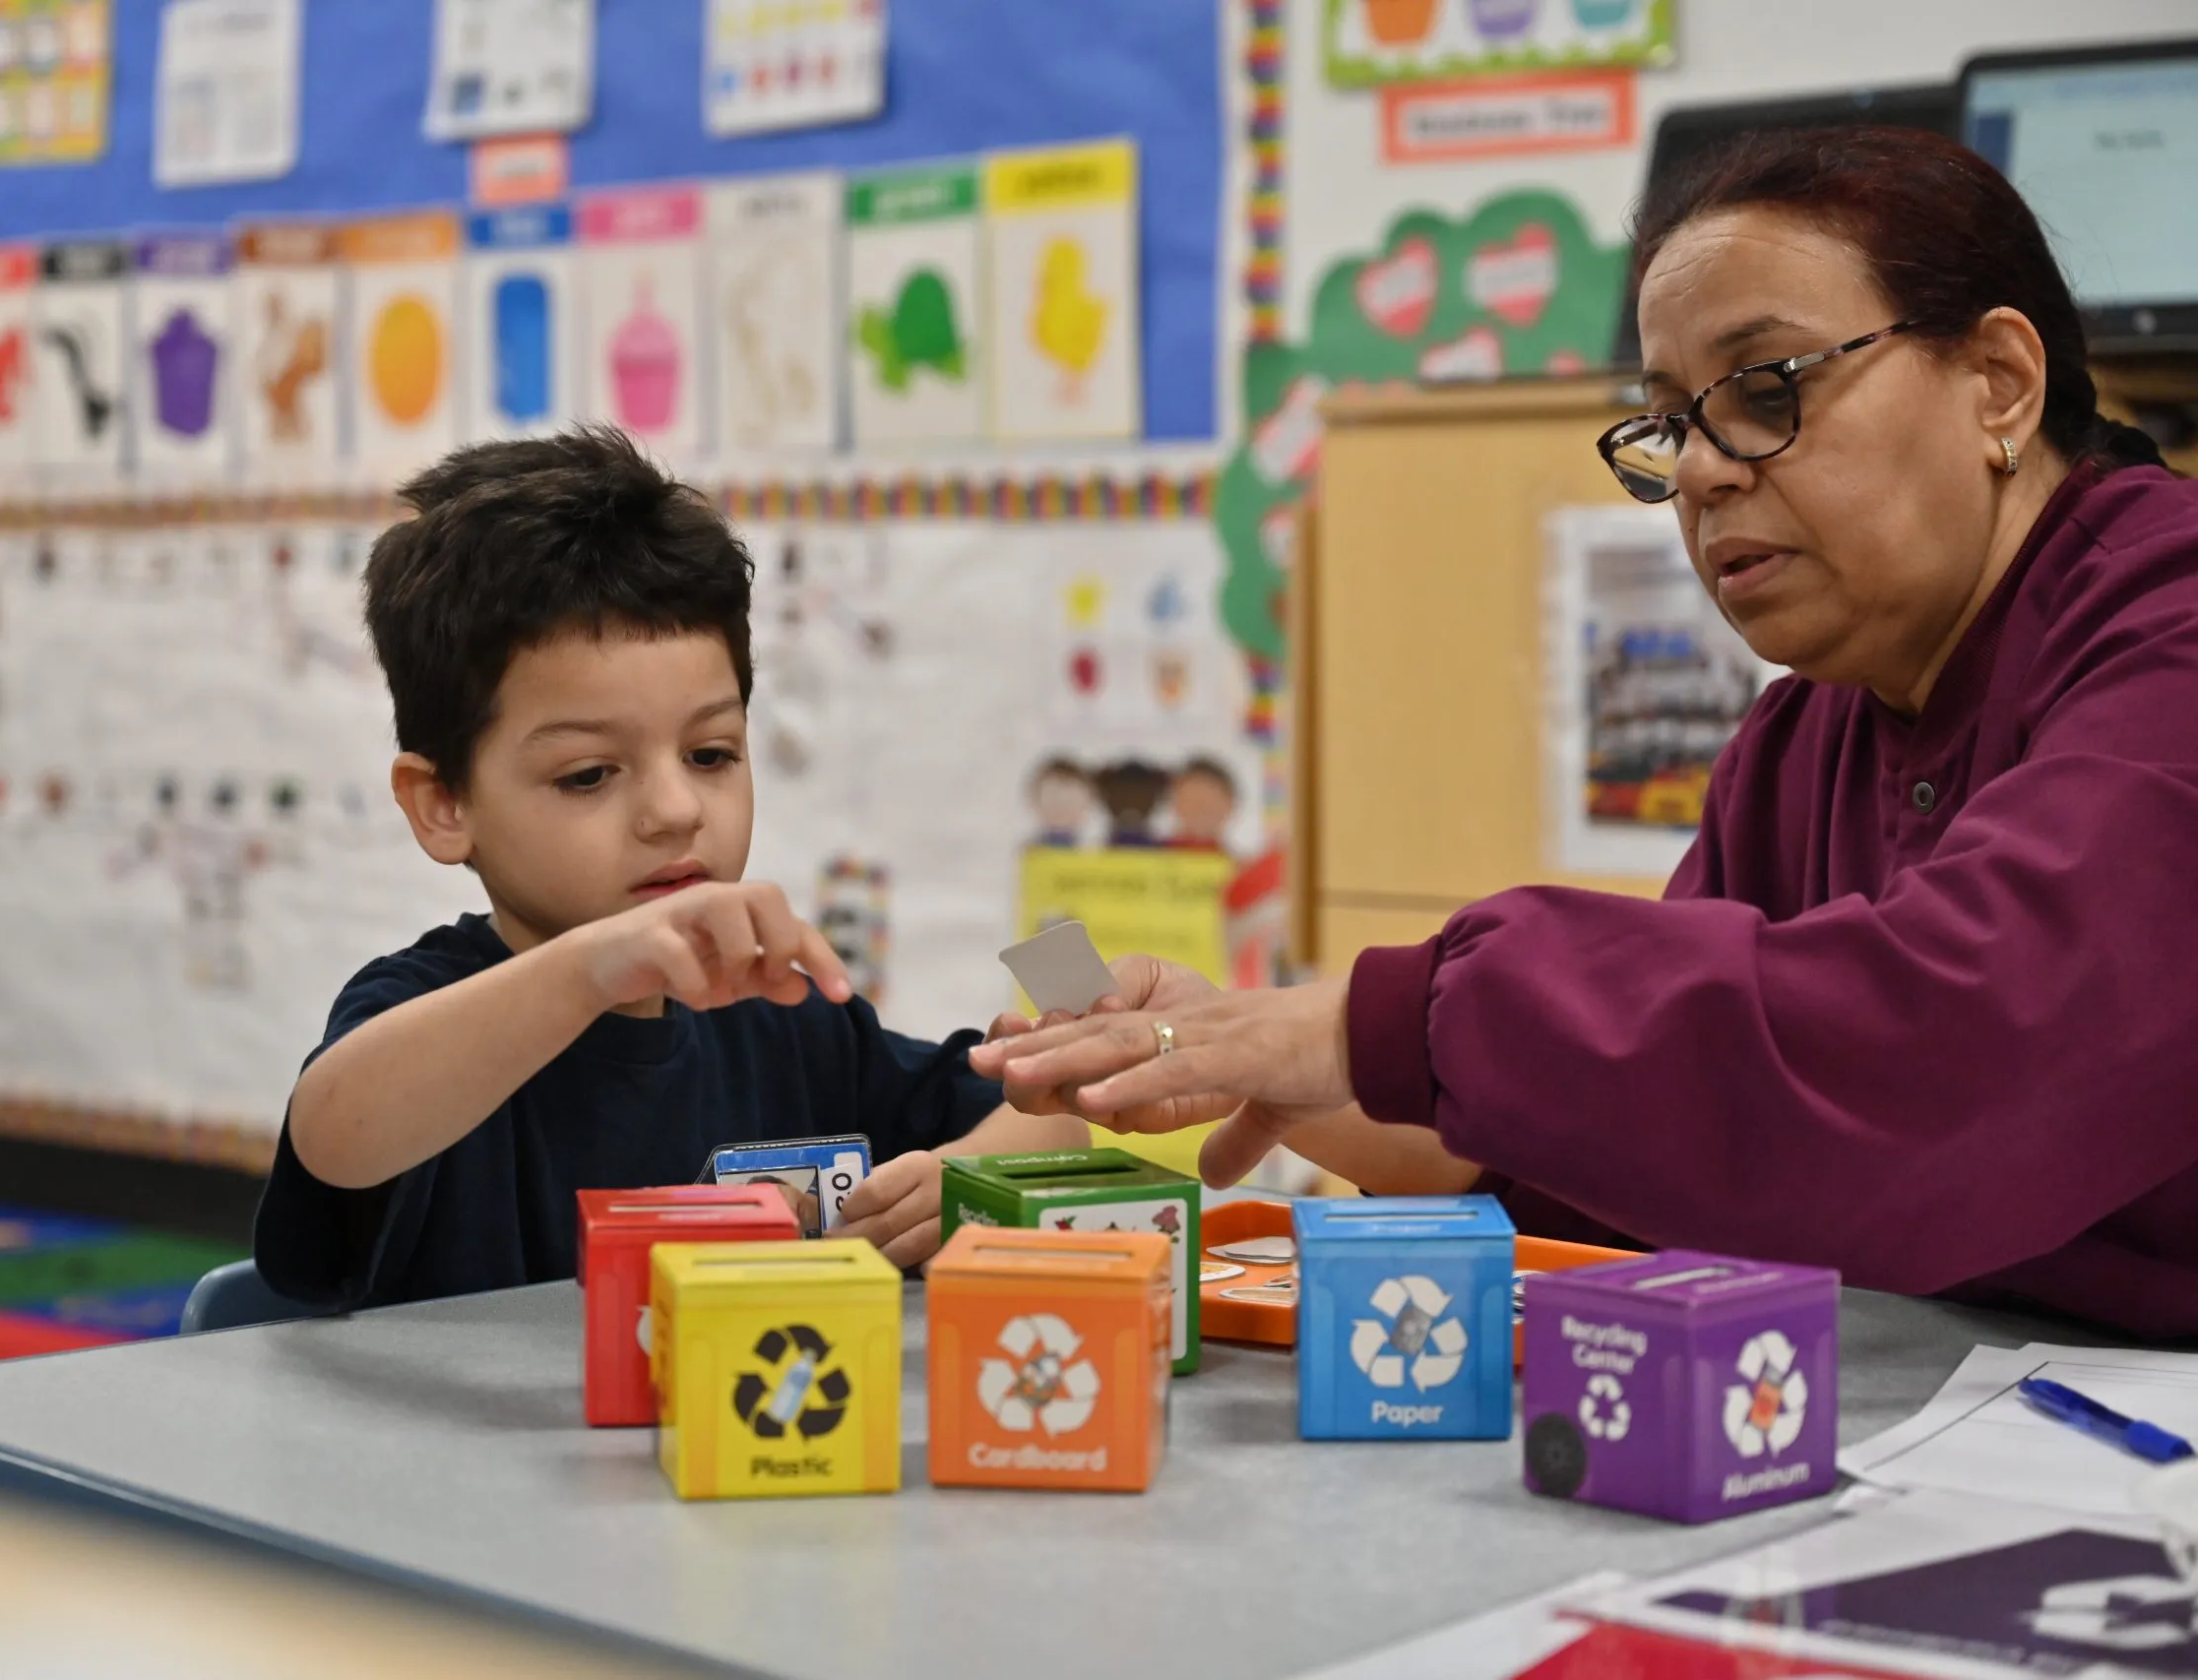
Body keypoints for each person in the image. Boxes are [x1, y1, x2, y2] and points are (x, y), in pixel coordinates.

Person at [976, 127, 2198, 1338]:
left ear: (1999, 381)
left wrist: (1377, 1023)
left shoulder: (2168, 633)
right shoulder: (1797, 743)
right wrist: (1257, 1059)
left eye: (1767, 390)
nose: (1704, 474)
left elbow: (1956, 1058)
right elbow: (1665, 1148)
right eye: (1670, 424)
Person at [257, 428, 1081, 1308]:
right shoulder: (425, 1012)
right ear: (443, 804)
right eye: (588, 774)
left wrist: (958, 1180)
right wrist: (591, 966)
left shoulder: (791, 1025)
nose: (677, 810)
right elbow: (335, 1132)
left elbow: (1056, 1113)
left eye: (712, 753)